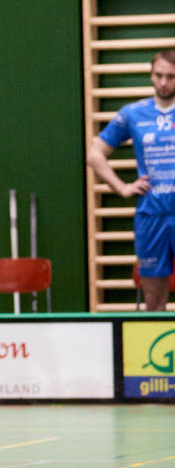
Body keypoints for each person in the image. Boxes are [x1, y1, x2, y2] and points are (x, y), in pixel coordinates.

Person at [86, 49, 175, 312]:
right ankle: (156, 352)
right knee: (154, 302)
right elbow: (94, 155)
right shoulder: (133, 113)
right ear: (151, 75)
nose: (163, 82)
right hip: (151, 215)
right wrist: (122, 187)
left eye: (170, 76)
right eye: (158, 75)